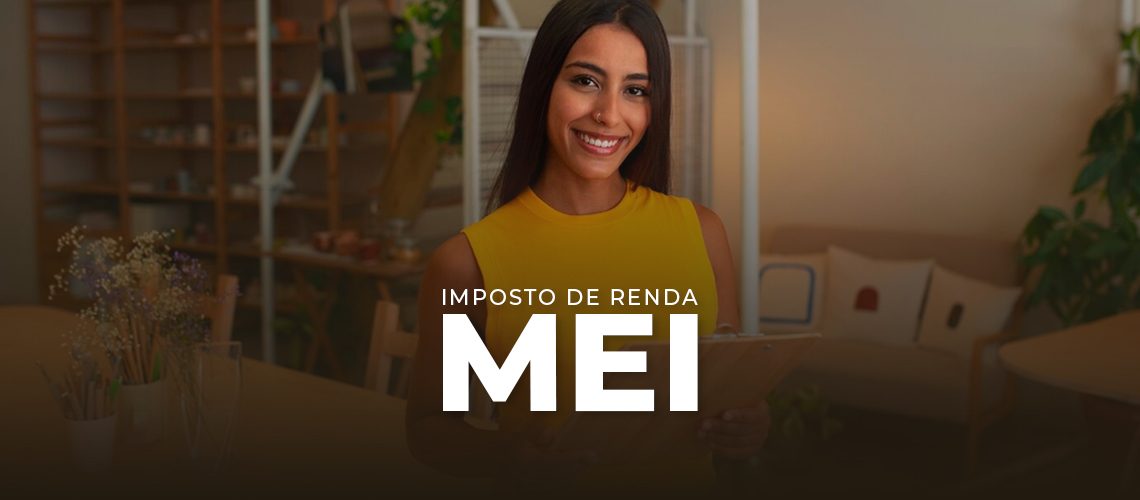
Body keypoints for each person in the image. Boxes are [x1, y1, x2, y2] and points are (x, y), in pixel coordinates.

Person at [406, 0, 768, 489]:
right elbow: (431, 430)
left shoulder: (702, 232)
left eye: (635, 90)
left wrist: (747, 424)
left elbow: (733, 386)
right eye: (585, 81)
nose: (608, 114)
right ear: (543, 86)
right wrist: (507, 457)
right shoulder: (466, 263)